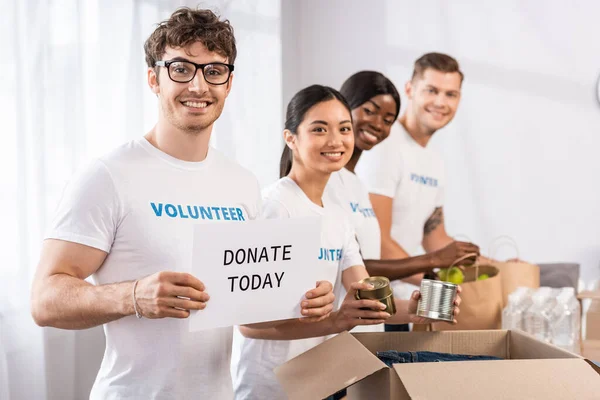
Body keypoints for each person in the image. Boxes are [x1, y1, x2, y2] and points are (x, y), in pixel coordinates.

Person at [29, 8, 335, 399]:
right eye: (181, 69)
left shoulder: (242, 184)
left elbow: (248, 318)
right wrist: (133, 295)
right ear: (154, 79)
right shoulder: (108, 175)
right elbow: (44, 300)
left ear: (229, 83)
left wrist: (304, 300)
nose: (198, 85)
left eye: (213, 71)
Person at [232, 85, 461, 400]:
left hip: (320, 384)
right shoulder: (276, 206)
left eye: (343, 129)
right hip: (270, 389)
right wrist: (335, 321)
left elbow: (367, 296)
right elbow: (248, 323)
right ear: (291, 138)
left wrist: (419, 308)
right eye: (319, 129)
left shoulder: (338, 216)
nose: (335, 140)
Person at [326, 71, 479, 333]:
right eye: (370, 111)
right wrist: (430, 265)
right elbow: (354, 270)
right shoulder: (325, 183)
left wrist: (420, 305)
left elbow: (361, 274)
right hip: (343, 335)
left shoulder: (356, 184)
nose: (378, 125)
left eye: (387, 120)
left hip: (376, 320)